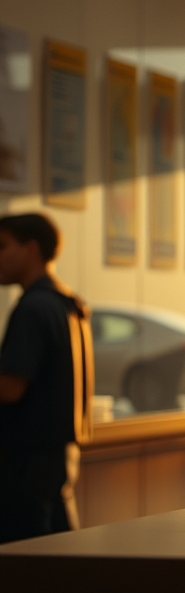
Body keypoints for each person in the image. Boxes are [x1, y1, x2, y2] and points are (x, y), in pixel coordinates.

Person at [0, 213, 93, 543]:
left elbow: (10, 388)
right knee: (56, 558)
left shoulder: (32, 308)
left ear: (31, 249)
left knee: (25, 566)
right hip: (57, 458)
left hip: (25, 461)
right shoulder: (66, 302)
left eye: (3, 246)